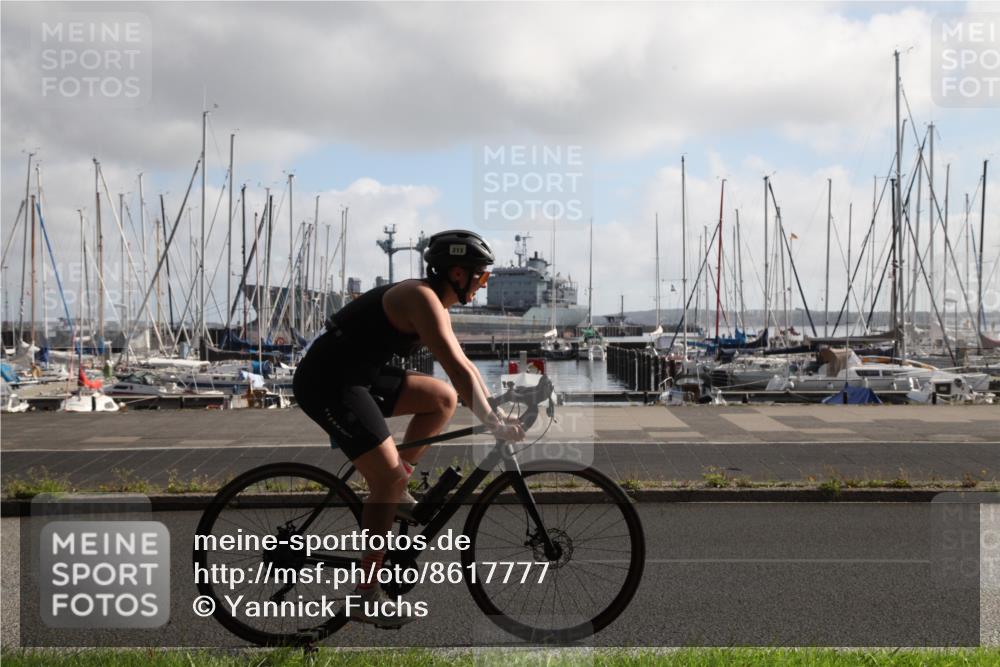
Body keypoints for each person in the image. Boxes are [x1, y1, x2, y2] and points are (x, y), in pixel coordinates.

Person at [292, 229, 525, 627]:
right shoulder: (421, 299)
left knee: (442, 400)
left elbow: (465, 368)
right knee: (385, 480)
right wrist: (493, 421)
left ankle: (396, 487)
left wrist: (497, 413)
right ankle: (366, 594)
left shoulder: (436, 304)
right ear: (457, 273)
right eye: (481, 275)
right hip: (327, 382)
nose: (485, 282)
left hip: (359, 375)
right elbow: (453, 365)